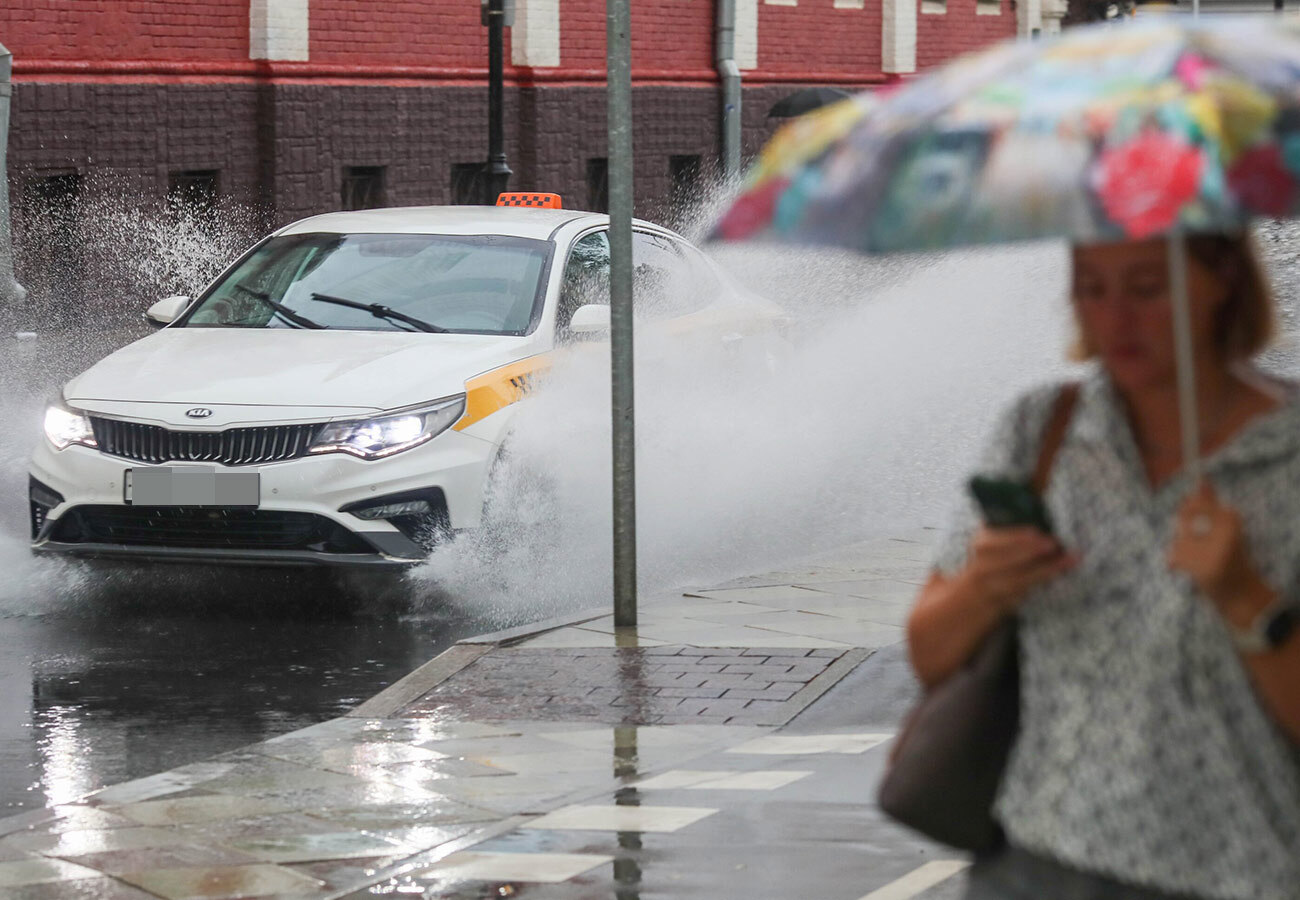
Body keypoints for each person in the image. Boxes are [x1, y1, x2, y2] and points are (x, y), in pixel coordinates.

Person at [907, 233, 1300, 900]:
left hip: (1241, 871)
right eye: (1091, 287)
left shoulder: (1288, 453)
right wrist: (984, 587)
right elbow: (929, 652)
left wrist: (1244, 600)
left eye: (1147, 288)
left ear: (1224, 280)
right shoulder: (1040, 428)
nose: (1114, 317)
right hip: (1038, 859)